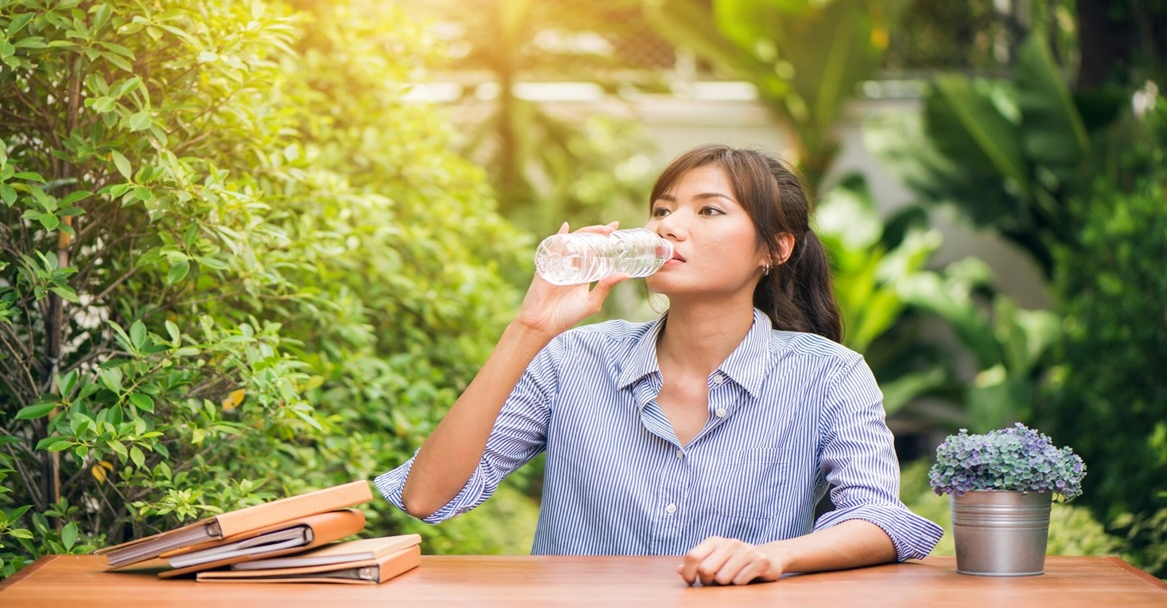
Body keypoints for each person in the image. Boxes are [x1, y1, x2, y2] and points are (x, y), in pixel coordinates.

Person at [375, 144, 943, 586]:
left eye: (709, 210)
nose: (668, 226)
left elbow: (879, 519)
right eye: (662, 210)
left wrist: (769, 557)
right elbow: (429, 498)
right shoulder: (575, 359)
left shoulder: (829, 375)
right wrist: (529, 331)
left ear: (775, 249)